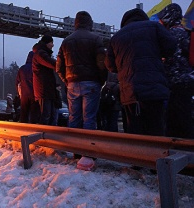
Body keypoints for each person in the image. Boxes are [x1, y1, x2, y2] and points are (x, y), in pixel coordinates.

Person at [105, 8, 177, 137]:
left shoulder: (116, 37)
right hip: (154, 89)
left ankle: (137, 156)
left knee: (134, 133)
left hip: (130, 92)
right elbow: (171, 46)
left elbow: (110, 66)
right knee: (156, 129)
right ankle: (156, 156)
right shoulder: (154, 27)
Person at [56, 11, 107, 171]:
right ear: (89, 23)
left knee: (74, 118)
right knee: (89, 118)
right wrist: (101, 80)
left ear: (75, 24)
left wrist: (67, 80)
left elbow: (59, 67)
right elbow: (101, 63)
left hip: (72, 84)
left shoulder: (66, 41)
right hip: (91, 83)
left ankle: (76, 152)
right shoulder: (96, 39)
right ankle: (88, 152)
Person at [158, 3, 194, 139]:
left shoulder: (168, 35)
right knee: (186, 115)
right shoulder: (188, 33)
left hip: (173, 82)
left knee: (174, 120)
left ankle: (180, 150)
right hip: (189, 80)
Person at [32, 34, 57, 125]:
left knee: (48, 115)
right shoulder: (41, 54)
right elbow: (52, 64)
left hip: (46, 89)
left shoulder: (41, 53)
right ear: (46, 43)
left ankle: (47, 135)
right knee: (46, 115)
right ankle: (43, 135)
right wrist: (63, 63)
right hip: (43, 90)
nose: (53, 45)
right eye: (51, 42)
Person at [15, 46, 40, 123]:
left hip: (24, 95)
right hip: (34, 94)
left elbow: (17, 83)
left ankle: (23, 129)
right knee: (34, 115)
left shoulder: (22, 68)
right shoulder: (36, 67)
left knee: (24, 114)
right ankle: (33, 130)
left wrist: (19, 94)